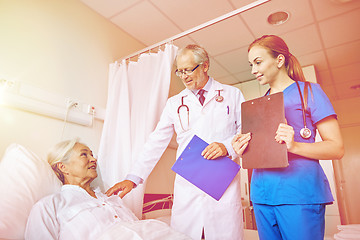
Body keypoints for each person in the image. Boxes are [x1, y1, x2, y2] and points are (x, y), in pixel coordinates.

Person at [106, 44, 245, 240]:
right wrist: (133, 178)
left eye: (189, 70)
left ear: (205, 66)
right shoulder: (175, 103)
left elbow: (246, 132)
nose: (184, 76)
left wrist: (226, 147)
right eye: (179, 71)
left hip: (223, 188)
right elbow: (155, 142)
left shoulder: (232, 94)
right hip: (189, 187)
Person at [232, 35, 344, 240]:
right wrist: (242, 149)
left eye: (258, 62)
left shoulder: (310, 92)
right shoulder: (258, 105)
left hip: (298, 193)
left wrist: (294, 146)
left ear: (279, 60)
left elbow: (336, 148)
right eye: (251, 64)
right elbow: (263, 151)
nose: (253, 70)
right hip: (262, 194)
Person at [25, 139, 190, 240]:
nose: (93, 159)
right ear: (63, 167)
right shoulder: (49, 206)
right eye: (84, 155)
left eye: (92, 154)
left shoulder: (112, 199)